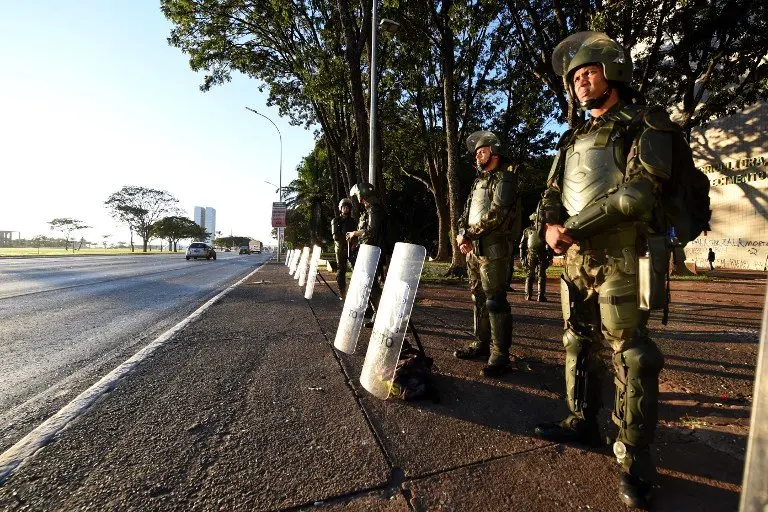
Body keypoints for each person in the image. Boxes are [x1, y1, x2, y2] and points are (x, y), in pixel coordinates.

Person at [534, 32, 672, 509]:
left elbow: (637, 194)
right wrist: (549, 225)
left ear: (613, 73)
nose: (580, 81)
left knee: (632, 356)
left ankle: (636, 462)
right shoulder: (572, 137)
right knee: (577, 342)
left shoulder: (644, 123)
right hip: (574, 260)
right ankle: (581, 421)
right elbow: (551, 191)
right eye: (574, 77)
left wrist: (569, 225)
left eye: (589, 72)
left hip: (622, 256)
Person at [453, 131, 520, 378]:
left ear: (494, 151)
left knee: (495, 301)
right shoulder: (478, 181)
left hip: (494, 249)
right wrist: (463, 234)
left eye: (482, 151)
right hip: (473, 249)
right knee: (477, 298)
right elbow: (466, 211)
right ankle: (480, 344)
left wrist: (469, 234)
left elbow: (497, 213)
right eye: (477, 152)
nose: (478, 155)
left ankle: (500, 354)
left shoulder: (505, 179)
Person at [346, 182, 388, 326]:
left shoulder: (374, 210)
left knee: (373, 285)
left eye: (359, 196)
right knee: (370, 284)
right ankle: (375, 312)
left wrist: (355, 233)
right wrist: (355, 237)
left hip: (375, 252)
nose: (359, 200)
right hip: (369, 252)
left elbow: (372, 232)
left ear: (363, 195)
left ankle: (380, 316)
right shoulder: (369, 210)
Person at [519, 213, 553, 302]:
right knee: (531, 275)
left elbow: (549, 245)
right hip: (531, 255)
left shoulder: (544, 231)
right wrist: (522, 257)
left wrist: (550, 256)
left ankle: (539, 296)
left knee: (540, 275)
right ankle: (529, 295)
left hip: (541, 254)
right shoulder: (528, 231)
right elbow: (522, 245)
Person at [331, 198, 357, 299]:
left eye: (347, 207)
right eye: (344, 207)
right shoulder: (336, 220)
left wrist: (353, 242)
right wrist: (345, 240)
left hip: (352, 247)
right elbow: (335, 235)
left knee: (356, 268)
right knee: (341, 270)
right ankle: (342, 292)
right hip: (340, 248)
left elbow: (356, 233)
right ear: (341, 208)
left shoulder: (353, 221)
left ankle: (355, 290)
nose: (346, 209)